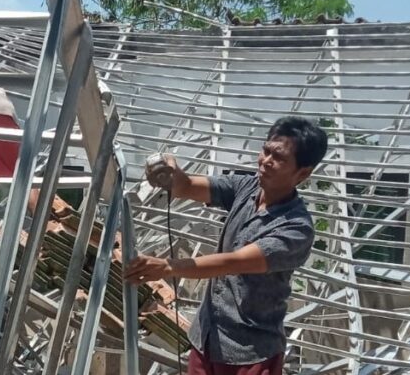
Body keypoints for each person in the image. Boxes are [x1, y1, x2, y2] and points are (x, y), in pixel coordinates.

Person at [125, 116, 328, 375]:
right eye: (266, 150)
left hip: (250, 353)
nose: (266, 161)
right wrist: (170, 172)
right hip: (207, 340)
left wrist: (168, 266)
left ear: (303, 173)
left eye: (278, 157)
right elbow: (188, 186)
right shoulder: (246, 187)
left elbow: (233, 262)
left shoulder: (296, 228)